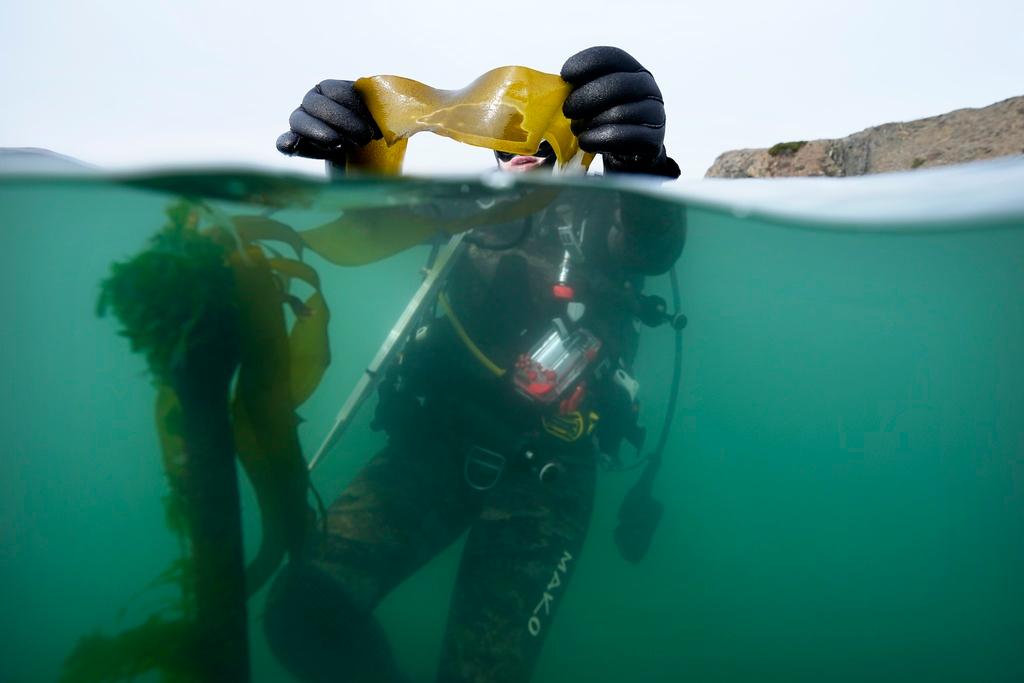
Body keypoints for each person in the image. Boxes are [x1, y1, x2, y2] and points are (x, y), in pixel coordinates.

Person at [265, 46, 685, 683]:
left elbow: (648, 247)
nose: (525, 148)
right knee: (302, 608)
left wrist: (642, 170)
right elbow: (376, 221)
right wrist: (349, 160)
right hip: (431, 443)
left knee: (481, 674)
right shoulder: (472, 207)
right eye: (507, 128)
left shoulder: (602, 211)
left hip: (545, 472)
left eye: (545, 131)